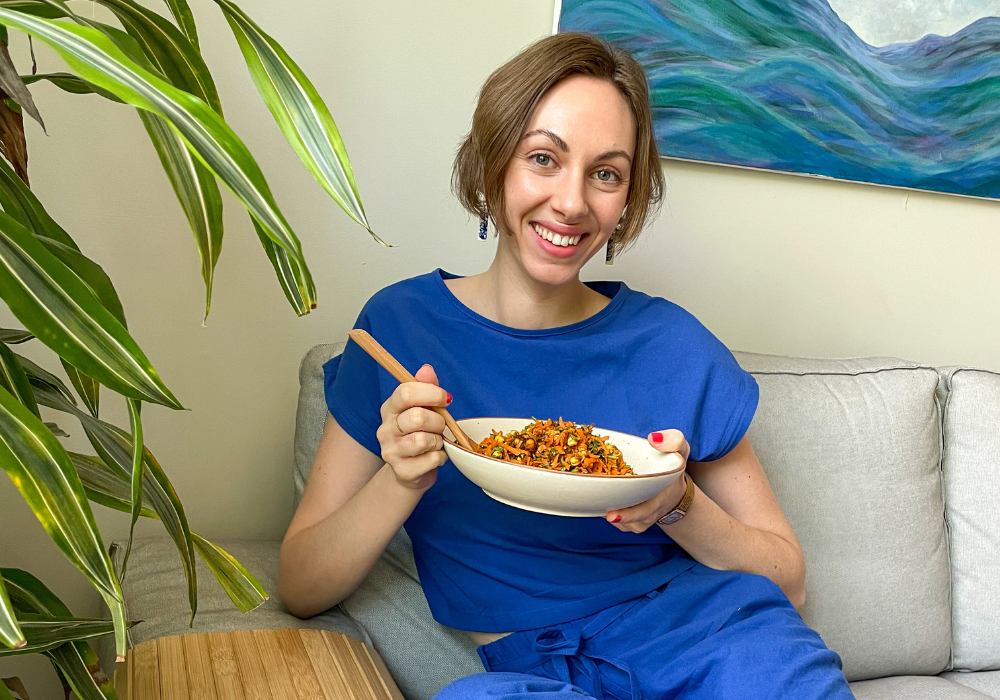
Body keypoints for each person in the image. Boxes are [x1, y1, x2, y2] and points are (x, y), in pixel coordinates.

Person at [279, 31, 856, 699]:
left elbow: (789, 580)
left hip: (713, 639)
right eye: (543, 158)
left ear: (626, 197)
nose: (573, 202)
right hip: (528, 669)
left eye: (606, 174)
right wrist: (401, 479)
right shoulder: (400, 327)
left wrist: (678, 504)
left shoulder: (673, 345)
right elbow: (300, 584)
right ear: (494, 165)